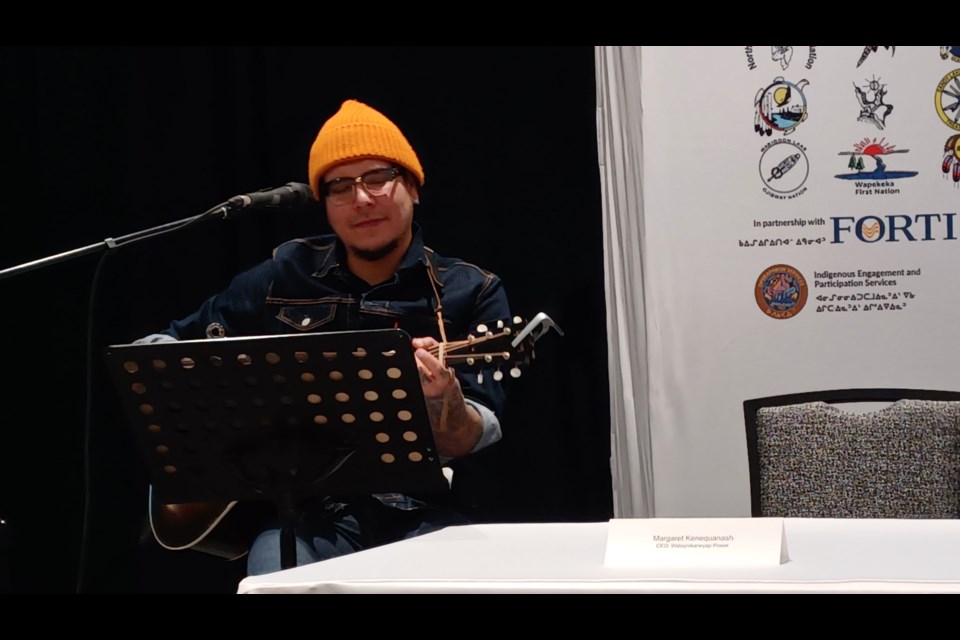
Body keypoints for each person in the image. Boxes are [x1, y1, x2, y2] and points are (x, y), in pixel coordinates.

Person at [137, 99, 512, 576]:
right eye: (340, 186)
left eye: (377, 178)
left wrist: (446, 401)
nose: (361, 199)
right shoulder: (283, 275)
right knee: (276, 575)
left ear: (412, 187)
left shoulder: (471, 291)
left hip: (424, 513)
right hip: (305, 516)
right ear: (324, 204)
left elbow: (473, 435)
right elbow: (166, 350)